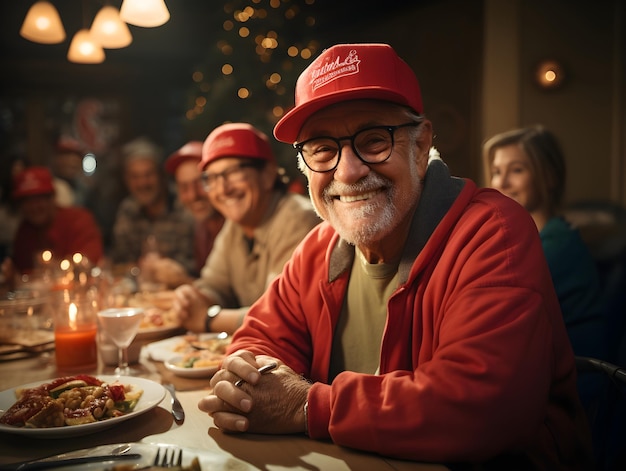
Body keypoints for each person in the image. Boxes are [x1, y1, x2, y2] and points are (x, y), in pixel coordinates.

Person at [201, 43, 592, 469]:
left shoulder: (492, 233)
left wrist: (306, 406)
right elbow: (258, 339)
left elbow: (479, 408)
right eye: (322, 149)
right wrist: (250, 380)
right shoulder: (318, 247)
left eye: (373, 140)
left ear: (421, 145)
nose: (347, 172)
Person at [482, 125, 607, 406]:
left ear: (549, 176)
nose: (501, 182)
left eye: (516, 170)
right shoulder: (528, 241)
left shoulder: (556, 246)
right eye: (497, 171)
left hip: (572, 395)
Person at [173, 123, 320, 335]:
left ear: (268, 175)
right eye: (211, 179)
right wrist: (193, 298)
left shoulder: (298, 218)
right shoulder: (236, 223)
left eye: (233, 172)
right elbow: (215, 285)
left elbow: (283, 315)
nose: (223, 189)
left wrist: (208, 320)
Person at [109, 137, 195, 284]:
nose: (143, 183)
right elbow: (121, 261)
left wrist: (165, 269)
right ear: (127, 180)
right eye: (135, 177)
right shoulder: (128, 210)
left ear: (161, 176)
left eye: (149, 174)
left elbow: (195, 264)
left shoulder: (184, 204)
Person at [140, 141, 226, 288]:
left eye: (200, 182)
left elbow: (232, 298)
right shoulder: (201, 228)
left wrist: (183, 280)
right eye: (184, 187)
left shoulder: (236, 225)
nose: (193, 195)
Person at [3, 166, 103, 278]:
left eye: (39, 199)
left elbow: (89, 263)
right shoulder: (24, 232)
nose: (33, 207)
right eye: (26, 201)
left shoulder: (78, 220)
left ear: (52, 198)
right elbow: (22, 273)